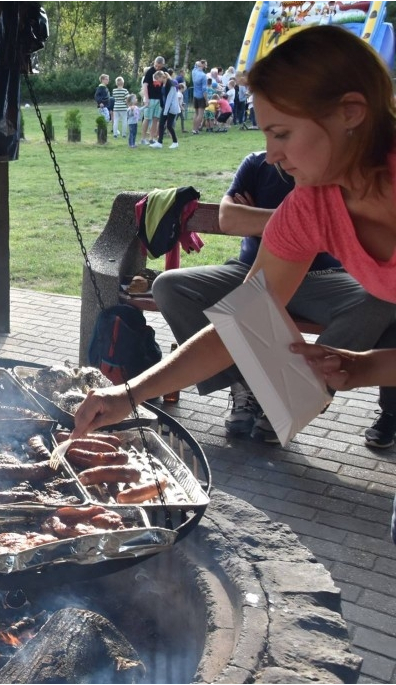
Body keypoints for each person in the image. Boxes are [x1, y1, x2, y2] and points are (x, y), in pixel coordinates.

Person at [71, 25, 396, 541]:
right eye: (265, 134)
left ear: (351, 113)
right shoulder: (310, 204)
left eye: (282, 133)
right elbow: (241, 321)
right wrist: (128, 395)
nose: (269, 154)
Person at [153, 149, 396, 443]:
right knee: (169, 285)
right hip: (252, 270)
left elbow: (324, 219)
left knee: (381, 300)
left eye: (281, 131)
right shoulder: (257, 164)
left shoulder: (334, 179)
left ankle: (302, 392)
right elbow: (228, 219)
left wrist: (266, 219)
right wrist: (299, 222)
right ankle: (246, 385)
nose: (273, 152)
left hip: (324, 280)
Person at [140, 56, 166, 145]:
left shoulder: (164, 71)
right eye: (156, 65)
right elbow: (145, 86)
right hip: (150, 98)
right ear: (154, 63)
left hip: (159, 99)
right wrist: (146, 99)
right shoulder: (150, 71)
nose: (157, 68)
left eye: (159, 66)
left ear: (162, 65)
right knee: (147, 118)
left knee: (156, 119)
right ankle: (143, 138)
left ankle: (151, 138)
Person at [153, 73, 181, 149]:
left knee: (169, 126)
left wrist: (165, 112)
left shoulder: (171, 85)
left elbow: (169, 99)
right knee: (161, 124)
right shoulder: (163, 85)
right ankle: (159, 142)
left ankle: (175, 142)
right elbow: (162, 97)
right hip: (165, 107)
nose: (157, 81)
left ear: (161, 77)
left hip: (171, 108)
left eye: (157, 79)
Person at [191, 59, 207, 134]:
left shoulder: (194, 72)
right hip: (201, 96)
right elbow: (204, 90)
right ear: (203, 66)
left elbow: (195, 64)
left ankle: (193, 128)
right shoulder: (203, 76)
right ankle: (196, 129)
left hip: (195, 95)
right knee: (200, 114)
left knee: (196, 113)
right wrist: (206, 100)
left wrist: (198, 63)